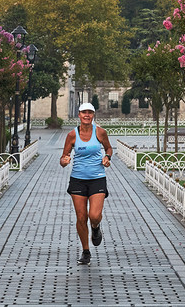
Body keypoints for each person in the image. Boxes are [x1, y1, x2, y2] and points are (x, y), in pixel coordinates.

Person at [60, 102, 113, 266]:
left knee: (94, 216)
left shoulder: (100, 132)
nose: (87, 115)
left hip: (97, 178)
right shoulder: (72, 135)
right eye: (84, 112)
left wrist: (107, 158)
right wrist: (65, 160)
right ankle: (86, 251)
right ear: (79, 115)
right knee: (81, 217)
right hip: (78, 179)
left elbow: (109, 148)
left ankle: (96, 228)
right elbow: (63, 157)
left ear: (93, 115)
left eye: (90, 113)